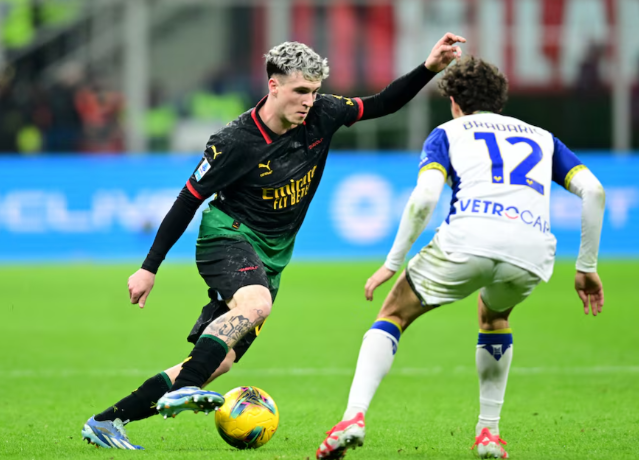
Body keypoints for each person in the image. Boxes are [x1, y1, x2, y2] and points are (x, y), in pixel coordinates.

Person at [80, 33, 466, 450]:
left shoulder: (323, 113)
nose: (309, 100)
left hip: (272, 255)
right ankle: (186, 386)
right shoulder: (234, 141)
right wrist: (149, 267)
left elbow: (383, 103)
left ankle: (107, 421)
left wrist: (428, 68)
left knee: (219, 362)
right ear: (274, 85)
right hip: (227, 235)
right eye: (300, 91)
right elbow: (188, 200)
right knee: (255, 305)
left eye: (314, 91)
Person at [316, 56, 606, 460]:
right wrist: (586, 267)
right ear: (500, 100)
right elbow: (594, 192)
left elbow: (424, 199)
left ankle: (352, 418)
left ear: (454, 102)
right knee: (495, 317)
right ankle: (489, 434)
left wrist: (392, 263)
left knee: (393, 314)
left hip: (469, 238)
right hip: (531, 250)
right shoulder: (542, 137)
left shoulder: (448, 133)